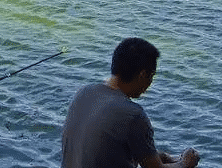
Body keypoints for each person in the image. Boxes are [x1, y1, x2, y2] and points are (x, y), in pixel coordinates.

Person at [61, 37, 199, 168]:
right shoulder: (133, 115)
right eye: (152, 76)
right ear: (143, 75)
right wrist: (185, 162)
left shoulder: (84, 92)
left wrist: (164, 157)